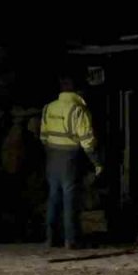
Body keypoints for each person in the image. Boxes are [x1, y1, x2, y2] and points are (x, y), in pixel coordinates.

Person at [39, 75, 102, 249]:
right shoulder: (78, 110)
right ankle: (71, 240)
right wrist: (97, 163)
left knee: (53, 197)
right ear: (78, 91)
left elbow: (43, 137)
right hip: (70, 158)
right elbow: (87, 141)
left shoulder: (48, 108)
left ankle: (50, 239)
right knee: (69, 199)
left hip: (52, 157)